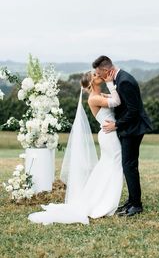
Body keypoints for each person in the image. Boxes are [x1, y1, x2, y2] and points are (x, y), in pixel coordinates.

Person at [28, 71, 123, 225]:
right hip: (109, 135)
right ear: (91, 82)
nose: (98, 74)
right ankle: (106, 202)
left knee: (108, 165)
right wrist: (111, 82)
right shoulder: (94, 98)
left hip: (110, 133)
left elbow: (115, 99)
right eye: (95, 75)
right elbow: (117, 102)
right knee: (115, 165)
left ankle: (100, 198)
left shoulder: (102, 95)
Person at [92, 56, 152, 217]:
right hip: (128, 128)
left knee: (129, 166)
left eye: (99, 73)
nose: (99, 76)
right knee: (128, 165)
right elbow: (120, 102)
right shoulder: (118, 78)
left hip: (133, 129)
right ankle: (132, 201)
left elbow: (133, 110)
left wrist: (116, 125)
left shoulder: (124, 80)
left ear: (106, 71)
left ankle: (136, 205)